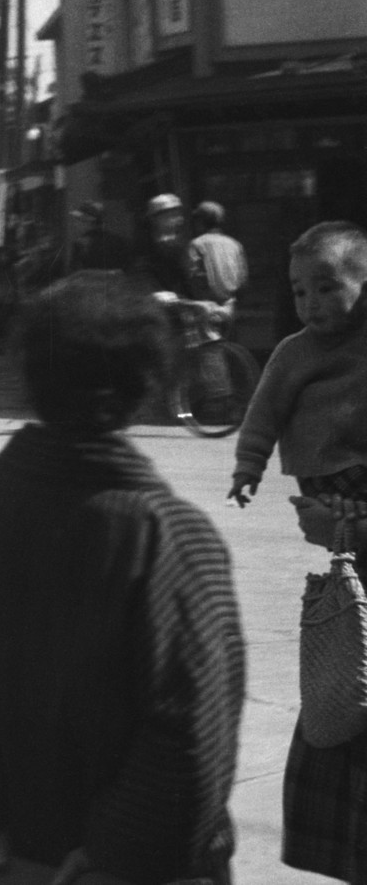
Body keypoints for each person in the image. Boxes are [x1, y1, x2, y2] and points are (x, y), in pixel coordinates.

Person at [0, 272, 246, 885]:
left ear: (29, 380)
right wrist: (118, 855)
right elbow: (192, 731)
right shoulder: (173, 536)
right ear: (148, 386)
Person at [227, 221, 367, 883]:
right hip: (329, 492)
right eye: (299, 291)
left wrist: (349, 527)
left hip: (351, 509)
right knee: (348, 667)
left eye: (327, 287)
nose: (311, 303)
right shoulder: (293, 354)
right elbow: (262, 414)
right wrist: (247, 468)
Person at [187, 201, 248, 311]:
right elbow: (243, 279)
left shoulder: (197, 244)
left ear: (200, 222)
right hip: (231, 306)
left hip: (208, 307)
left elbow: (194, 277)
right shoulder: (235, 244)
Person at [137, 192, 195, 299]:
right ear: (155, 219)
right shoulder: (147, 249)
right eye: (173, 215)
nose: (180, 219)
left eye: (179, 214)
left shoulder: (179, 244)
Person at [68, 200, 131, 273]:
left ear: (88, 221)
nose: (75, 224)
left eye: (78, 220)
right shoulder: (118, 240)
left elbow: (74, 272)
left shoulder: (81, 244)